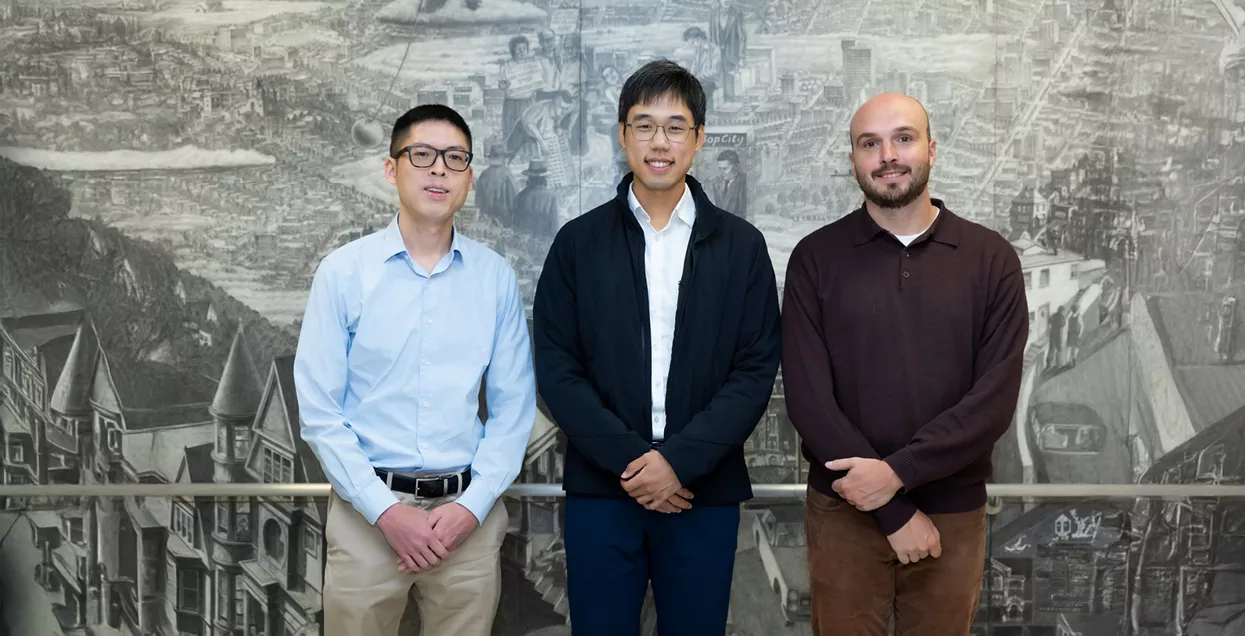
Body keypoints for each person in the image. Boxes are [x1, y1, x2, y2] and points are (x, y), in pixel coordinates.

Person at [532, 60, 781, 636]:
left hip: (703, 493)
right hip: (603, 491)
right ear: (623, 136)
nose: (659, 142)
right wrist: (632, 463)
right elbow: (557, 366)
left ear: (699, 137)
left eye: (675, 126)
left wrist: (678, 463)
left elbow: (754, 371)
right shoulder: (578, 243)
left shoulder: (741, 246)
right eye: (644, 126)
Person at [781, 92, 1029, 636]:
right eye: (870, 143)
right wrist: (890, 509)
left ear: (931, 150)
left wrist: (896, 476)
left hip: (951, 513)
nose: (887, 155)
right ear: (853, 159)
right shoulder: (815, 258)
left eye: (904, 138)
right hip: (845, 509)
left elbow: (992, 401)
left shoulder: (991, 260)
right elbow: (808, 398)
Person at [294, 104, 537, 636]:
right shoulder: (343, 273)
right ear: (392, 168)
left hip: (467, 519)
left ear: (469, 177)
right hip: (366, 516)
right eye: (422, 155)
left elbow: (514, 411)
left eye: (455, 158)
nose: (439, 169)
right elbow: (319, 411)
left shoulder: (494, 278)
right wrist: (385, 512)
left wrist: (471, 508)